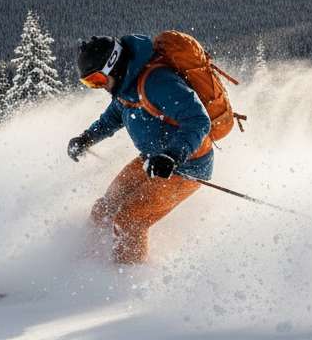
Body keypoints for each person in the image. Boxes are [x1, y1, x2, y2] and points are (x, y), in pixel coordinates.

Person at [67, 34, 213, 265]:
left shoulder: (158, 82)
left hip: (186, 166)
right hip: (153, 160)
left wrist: (172, 155)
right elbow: (112, 118)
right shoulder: (125, 87)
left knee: (129, 219)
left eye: (96, 80)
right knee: (103, 210)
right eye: (89, 84)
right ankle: (84, 267)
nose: (98, 87)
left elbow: (198, 120)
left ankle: (126, 281)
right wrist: (86, 138)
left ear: (113, 66)